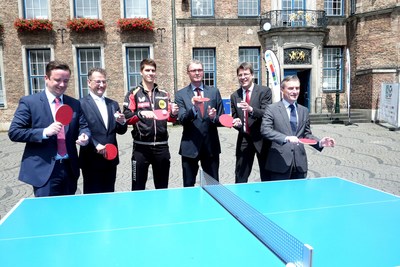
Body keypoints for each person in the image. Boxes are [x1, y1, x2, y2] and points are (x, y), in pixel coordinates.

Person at [8, 60, 90, 197]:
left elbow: (84, 126)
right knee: (46, 214)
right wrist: (44, 132)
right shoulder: (29, 102)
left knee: (68, 211)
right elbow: (15, 132)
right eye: (57, 80)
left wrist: (84, 136)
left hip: (69, 168)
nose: (62, 85)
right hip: (44, 171)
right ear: (46, 78)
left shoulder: (74, 103)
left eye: (66, 80)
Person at [261, 75, 335, 180]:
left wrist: (319, 142)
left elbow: (306, 134)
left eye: (297, 88)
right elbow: (265, 130)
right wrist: (286, 138)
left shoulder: (304, 110)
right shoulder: (272, 109)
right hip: (279, 163)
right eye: (290, 88)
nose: (295, 91)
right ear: (282, 89)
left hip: (300, 164)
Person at [123, 58, 179, 190]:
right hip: (141, 148)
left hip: (161, 147)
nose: (150, 73)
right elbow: (126, 117)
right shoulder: (133, 94)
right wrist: (139, 115)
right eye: (147, 70)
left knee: (162, 187)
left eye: (153, 70)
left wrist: (174, 113)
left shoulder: (164, 94)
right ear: (141, 72)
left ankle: (161, 210)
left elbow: (170, 119)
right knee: (137, 187)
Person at [175, 59, 225, 187]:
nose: (197, 73)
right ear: (188, 73)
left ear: (203, 72)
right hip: (190, 147)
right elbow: (182, 119)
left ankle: (212, 207)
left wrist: (214, 117)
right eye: (193, 70)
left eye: (199, 70)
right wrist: (194, 109)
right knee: (188, 184)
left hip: (211, 147)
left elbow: (222, 118)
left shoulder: (214, 92)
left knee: (213, 185)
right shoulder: (181, 95)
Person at [79, 68, 128, 194]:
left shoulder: (113, 104)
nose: (101, 85)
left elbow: (121, 131)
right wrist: (95, 144)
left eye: (104, 82)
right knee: (92, 198)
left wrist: (122, 122)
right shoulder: (81, 104)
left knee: (109, 194)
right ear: (89, 83)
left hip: (110, 158)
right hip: (91, 159)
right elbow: (81, 129)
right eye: (98, 81)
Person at [230, 62, 272, 183]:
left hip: (261, 139)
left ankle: (267, 199)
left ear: (252, 75)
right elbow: (234, 116)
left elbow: (267, 113)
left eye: (246, 74)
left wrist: (251, 110)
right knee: (240, 175)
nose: (243, 77)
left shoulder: (264, 91)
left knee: (266, 175)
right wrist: (236, 123)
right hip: (244, 139)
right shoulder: (234, 96)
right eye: (240, 75)